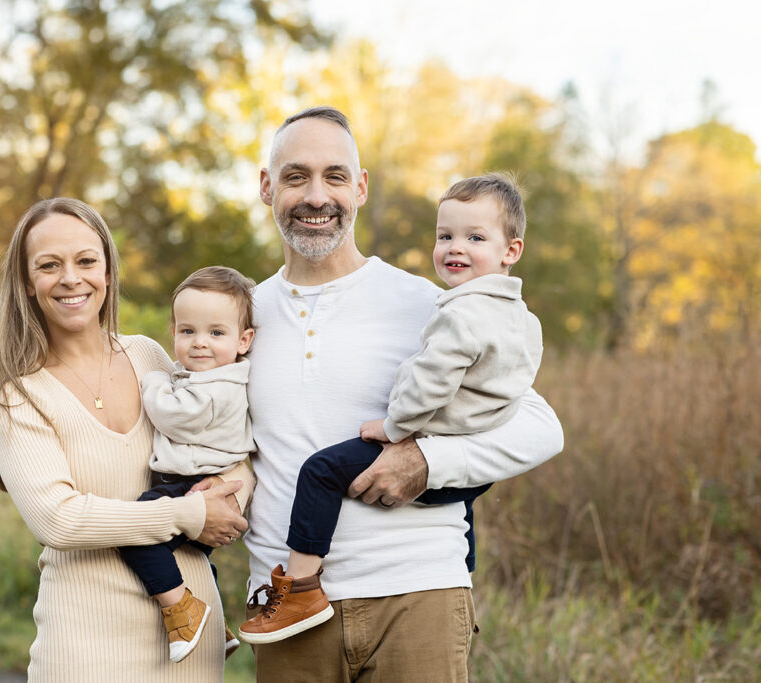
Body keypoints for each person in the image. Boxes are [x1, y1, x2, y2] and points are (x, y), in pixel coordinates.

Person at [233, 106, 564, 681]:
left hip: (417, 595)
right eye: (295, 176)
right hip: (287, 608)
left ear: (359, 188)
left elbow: (539, 427)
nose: (317, 196)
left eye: (335, 176)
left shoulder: (430, 304)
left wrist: (428, 461)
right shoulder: (239, 318)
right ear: (267, 187)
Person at [0, 198, 251, 682]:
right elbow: (59, 520)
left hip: (195, 642)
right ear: (28, 284)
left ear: (108, 272)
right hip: (85, 650)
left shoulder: (151, 357)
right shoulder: (18, 393)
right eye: (49, 265)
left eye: (85, 261)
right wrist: (187, 514)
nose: (71, 278)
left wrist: (235, 486)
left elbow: (226, 435)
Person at [118, 266, 256, 663]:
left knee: (136, 532)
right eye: (187, 331)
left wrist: (154, 380)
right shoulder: (204, 377)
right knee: (191, 559)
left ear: (243, 340)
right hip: (191, 479)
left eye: (216, 333)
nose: (200, 344)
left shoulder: (221, 386)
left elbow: (172, 414)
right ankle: (217, 627)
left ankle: (181, 609)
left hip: (191, 483)